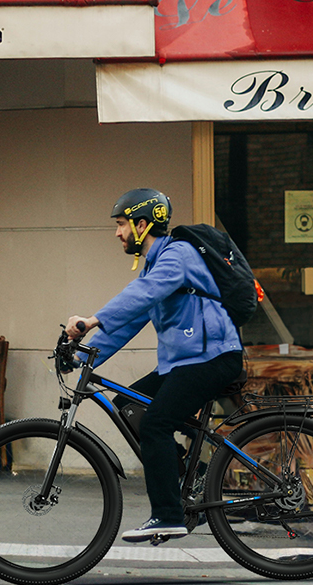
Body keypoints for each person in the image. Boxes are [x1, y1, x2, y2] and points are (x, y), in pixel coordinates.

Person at [65, 188, 244, 542]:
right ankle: (186, 477)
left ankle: (167, 514)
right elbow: (132, 318)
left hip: (213, 358)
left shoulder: (178, 255)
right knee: (129, 405)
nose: (117, 233)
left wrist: (91, 319)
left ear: (142, 225)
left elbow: (143, 294)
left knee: (157, 424)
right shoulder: (156, 263)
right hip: (188, 361)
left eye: (121, 224)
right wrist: (83, 355)